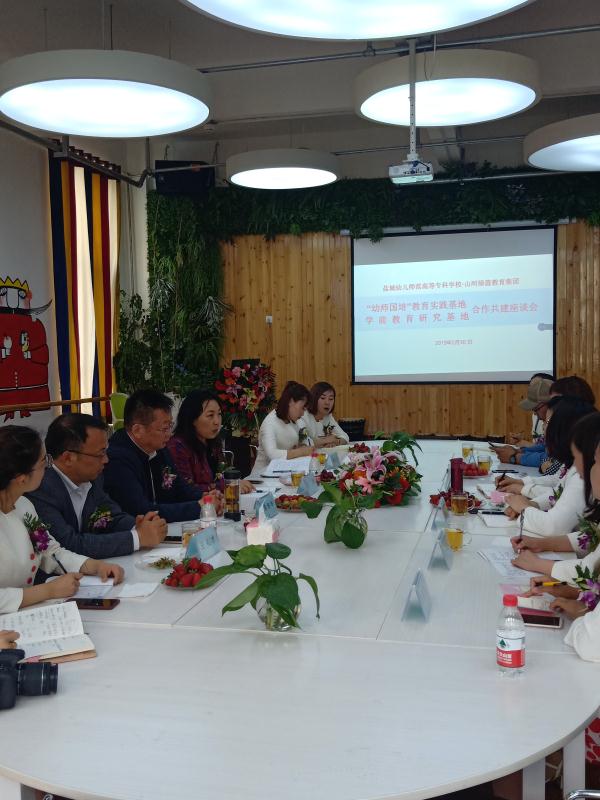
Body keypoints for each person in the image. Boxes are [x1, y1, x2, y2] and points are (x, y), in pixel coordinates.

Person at [0, 426, 124, 614]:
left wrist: (95, 566)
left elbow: (50, 551)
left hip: (24, 614)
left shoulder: (23, 505)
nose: (48, 467)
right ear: (21, 478)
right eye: (44, 462)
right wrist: (47, 591)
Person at [27, 413, 167, 559]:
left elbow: (111, 516)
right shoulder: (41, 488)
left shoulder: (93, 478)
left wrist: (139, 526)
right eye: (100, 454)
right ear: (68, 458)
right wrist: (137, 538)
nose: (106, 460)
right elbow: (68, 545)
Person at [104, 389, 220, 523]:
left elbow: (180, 488)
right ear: (137, 430)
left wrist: (206, 497)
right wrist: (199, 507)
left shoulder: (159, 448)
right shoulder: (117, 459)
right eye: (164, 428)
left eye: (170, 426)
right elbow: (141, 510)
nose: (169, 434)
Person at [511, 411, 600, 580]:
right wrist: (542, 544)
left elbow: (592, 567)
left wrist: (539, 564)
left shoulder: (582, 480)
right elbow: (589, 538)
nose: (575, 469)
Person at [503, 397, 596, 536]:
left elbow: (554, 527)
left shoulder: (583, 471)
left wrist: (524, 508)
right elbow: (559, 492)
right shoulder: (576, 463)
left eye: (547, 422)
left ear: (562, 429)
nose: (544, 428)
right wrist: (533, 504)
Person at [168, 389, 254, 495]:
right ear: (192, 419)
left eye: (219, 414)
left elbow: (224, 475)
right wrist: (227, 485)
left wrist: (234, 482)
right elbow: (185, 489)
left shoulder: (213, 443)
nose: (217, 422)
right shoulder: (178, 447)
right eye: (210, 415)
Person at [251, 381, 313, 476]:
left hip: (285, 472)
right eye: (302, 408)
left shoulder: (296, 420)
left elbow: (308, 442)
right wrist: (300, 451)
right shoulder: (270, 423)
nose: (303, 413)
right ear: (290, 401)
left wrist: (303, 446)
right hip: (262, 476)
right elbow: (272, 454)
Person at [493, 373, 554, 467]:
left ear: (550, 404)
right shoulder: (552, 417)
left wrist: (514, 457)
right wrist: (519, 451)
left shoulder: (563, 422)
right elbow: (545, 447)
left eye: (536, 409)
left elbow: (552, 460)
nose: (535, 414)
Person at [303, 382, 349, 447]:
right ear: (314, 399)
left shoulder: (328, 416)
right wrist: (325, 441)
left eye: (331, 399)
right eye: (322, 398)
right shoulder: (304, 415)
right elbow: (302, 443)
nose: (327, 402)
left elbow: (345, 437)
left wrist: (336, 442)